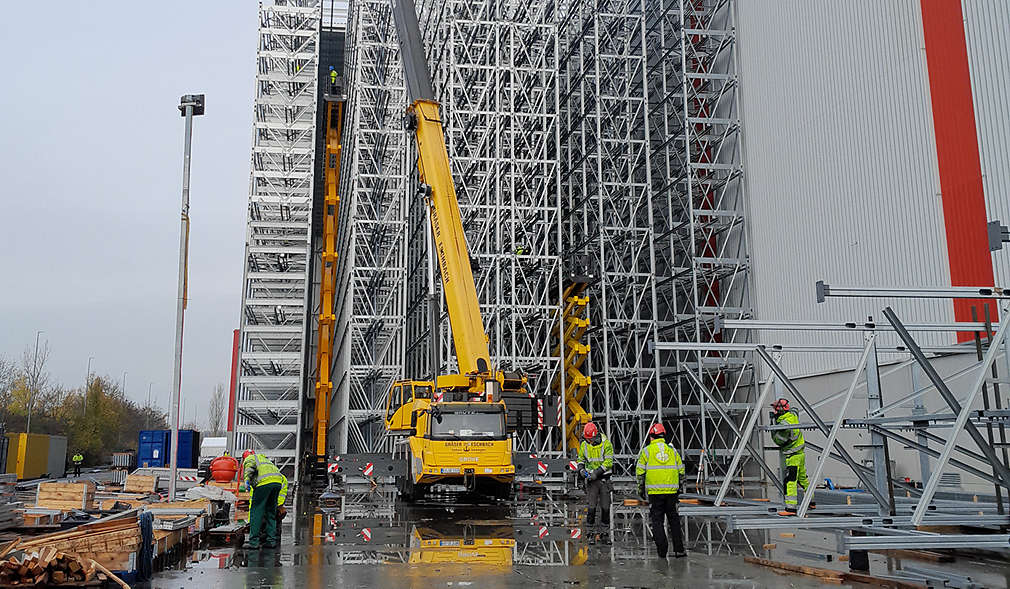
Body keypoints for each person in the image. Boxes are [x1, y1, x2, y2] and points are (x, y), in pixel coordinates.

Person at [636, 422, 686, 558]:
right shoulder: (672, 450)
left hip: (655, 493)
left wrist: (640, 489)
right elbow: (681, 470)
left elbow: (640, 472)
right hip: (671, 492)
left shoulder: (647, 451)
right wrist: (679, 486)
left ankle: (662, 551)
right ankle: (679, 550)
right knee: (674, 520)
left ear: (651, 436)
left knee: (657, 521)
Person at [239, 450, 288, 549]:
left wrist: (247, 480)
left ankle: (254, 542)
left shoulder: (250, 458)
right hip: (277, 482)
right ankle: (271, 541)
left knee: (256, 511)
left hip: (264, 483)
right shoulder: (264, 459)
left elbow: (249, 469)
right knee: (271, 512)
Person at [770, 398, 809, 515]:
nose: (774, 412)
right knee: (803, 480)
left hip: (793, 455)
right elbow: (794, 411)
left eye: (776, 409)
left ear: (781, 410)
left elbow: (779, 440)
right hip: (800, 453)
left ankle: (791, 508)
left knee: (790, 481)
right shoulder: (792, 416)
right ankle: (811, 502)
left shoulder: (785, 423)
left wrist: (773, 427)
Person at [576, 421, 614, 529]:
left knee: (605, 507)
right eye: (586, 438)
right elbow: (580, 459)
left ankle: (605, 528)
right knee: (591, 506)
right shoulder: (584, 445)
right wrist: (581, 469)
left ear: (594, 436)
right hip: (592, 480)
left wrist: (597, 472)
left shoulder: (606, 444)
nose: (588, 441)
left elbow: (608, 462)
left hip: (603, 479)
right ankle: (589, 528)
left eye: (589, 439)